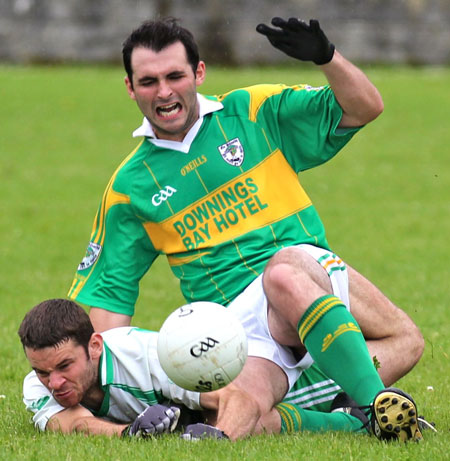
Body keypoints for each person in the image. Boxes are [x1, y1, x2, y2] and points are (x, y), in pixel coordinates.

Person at [65, 17, 425, 440]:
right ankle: (350, 415)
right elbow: (110, 301)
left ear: (199, 73)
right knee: (243, 413)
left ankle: (366, 401)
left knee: (388, 329)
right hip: (237, 334)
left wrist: (326, 58)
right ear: (129, 87)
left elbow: (365, 107)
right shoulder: (130, 188)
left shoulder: (253, 111)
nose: (163, 92)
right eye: (148, 81)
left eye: (175, 76)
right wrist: (91, 381)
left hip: (307, 276)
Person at [20, 298, 385, 439]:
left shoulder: (150, 356)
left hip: (272, 365)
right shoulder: (36, 386)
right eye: (42, 371)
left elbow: (234, 397)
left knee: (250, 420)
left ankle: (358, 420)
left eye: (64, 366)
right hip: (200, 397)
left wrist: (217, 438)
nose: (54, 382)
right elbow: (72, 425)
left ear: (95, 346)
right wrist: (131, 433)